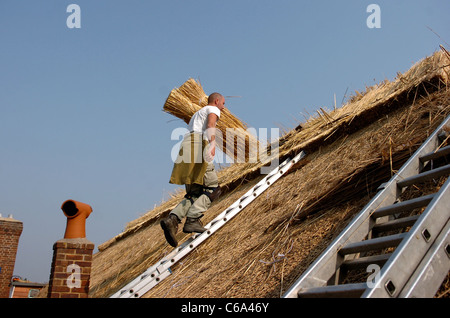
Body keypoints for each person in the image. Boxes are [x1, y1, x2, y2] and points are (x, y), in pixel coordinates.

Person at [160, 93, 225, 247]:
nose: (224, 106)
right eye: (223, 103)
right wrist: (212, 144)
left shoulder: (197, 114)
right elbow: (210, 126)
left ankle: (173, 219)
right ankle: (193, 219)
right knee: (213, 188)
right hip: (199, 146)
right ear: (216, 101)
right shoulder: (213, 110)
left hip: (186, 147)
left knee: (194, 193)